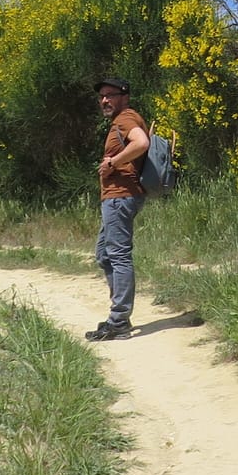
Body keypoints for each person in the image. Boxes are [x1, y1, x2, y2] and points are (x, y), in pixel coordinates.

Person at [88, 76, 150, 342]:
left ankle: (119, 321)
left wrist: (112, 162)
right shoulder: (120, 120)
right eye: (102, 96)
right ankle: (119, 315)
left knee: (118, 256)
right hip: (115, 198)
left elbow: (141, 143)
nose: (104, 100)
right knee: (104, 254)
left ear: (124, 96)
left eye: (110, 95)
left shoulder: (126, 119)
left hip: (121, 197)